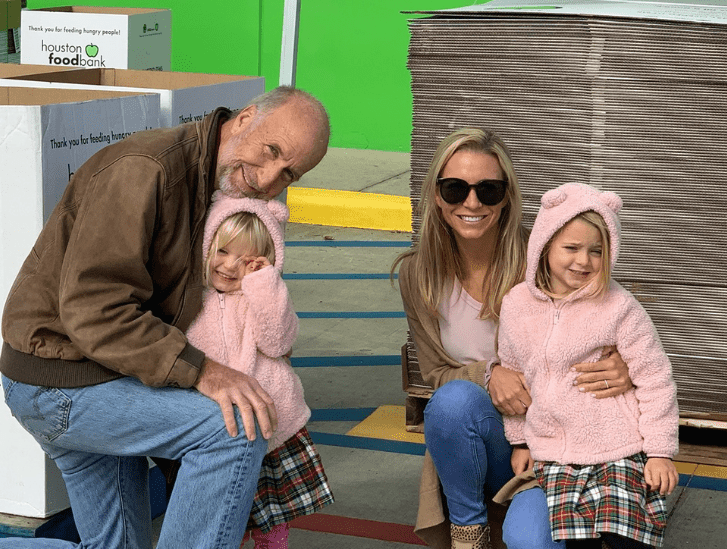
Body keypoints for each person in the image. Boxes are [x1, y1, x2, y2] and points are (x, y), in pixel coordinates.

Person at [0, 86, 331, 549]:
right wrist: (203, 371)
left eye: (288, 172)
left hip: (104, 374)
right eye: (271, 152)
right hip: (61, 382)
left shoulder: (216, 188)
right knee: (233, 428)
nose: (269, 177)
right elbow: (95, 310)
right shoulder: (147, 169)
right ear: (246, 118)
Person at [392, 127, 634, 549]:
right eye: (454, 189)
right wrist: (491, 375)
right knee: (451, 404)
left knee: (533, 541)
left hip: (561, 442)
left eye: (488, 190)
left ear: (506, 197)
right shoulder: (419, 274)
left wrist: (624, 367)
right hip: (491, 438)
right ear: (435, 195)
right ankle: (469, 535)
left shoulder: (542, 257)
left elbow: (611, 322)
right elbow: (434, 374)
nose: (471, 203)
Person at [498, 183, 678, 549]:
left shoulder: (619, 307)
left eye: (597, 251)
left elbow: (655, 378)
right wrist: (519, 441)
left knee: (629, 537)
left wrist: (660, 451)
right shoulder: (516, 305)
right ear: (545, 246)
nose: (583, 261)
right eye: (571, 248)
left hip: (618, 448)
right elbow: (515, 375)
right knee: (579, 542)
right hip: (554, 455)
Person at [187, 192, 334, 549]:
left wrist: (264, 285)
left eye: (245, 259)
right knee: (224, 520)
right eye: (222, 251)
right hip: (216, 428)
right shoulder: (191, 299)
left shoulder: (262, 296)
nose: (229, 266)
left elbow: (278, 342)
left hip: (270, 425)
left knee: (271, 522)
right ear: (206, 246)